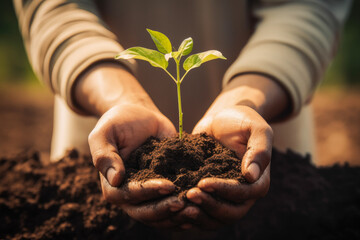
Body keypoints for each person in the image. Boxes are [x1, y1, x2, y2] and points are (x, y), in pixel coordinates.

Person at [13, 0, 351, 232]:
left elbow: (308, 6)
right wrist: (118, 97)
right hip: (104, 119)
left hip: (263, 124)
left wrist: (246, 101)